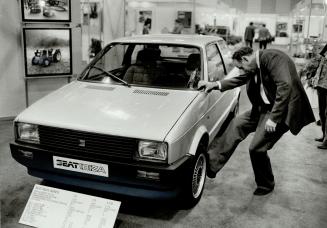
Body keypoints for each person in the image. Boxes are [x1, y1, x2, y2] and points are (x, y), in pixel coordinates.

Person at [197, 47, 315, 195]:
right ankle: (211, 165)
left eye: (240, 67)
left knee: (256, 148)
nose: (241, 71)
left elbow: (285, 86)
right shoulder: (254, 66)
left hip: (280, 111)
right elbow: (240, 79)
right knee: (236, 124)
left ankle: (266, 184)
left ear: (246, 59)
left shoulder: (273, 58)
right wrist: (215, 85)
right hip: (262, 109)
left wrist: (274, 119)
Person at [301, 44, 327, 149]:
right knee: (322, 112)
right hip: (321, 84)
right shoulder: (325, 50)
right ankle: (324, 135)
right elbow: (319, 64)